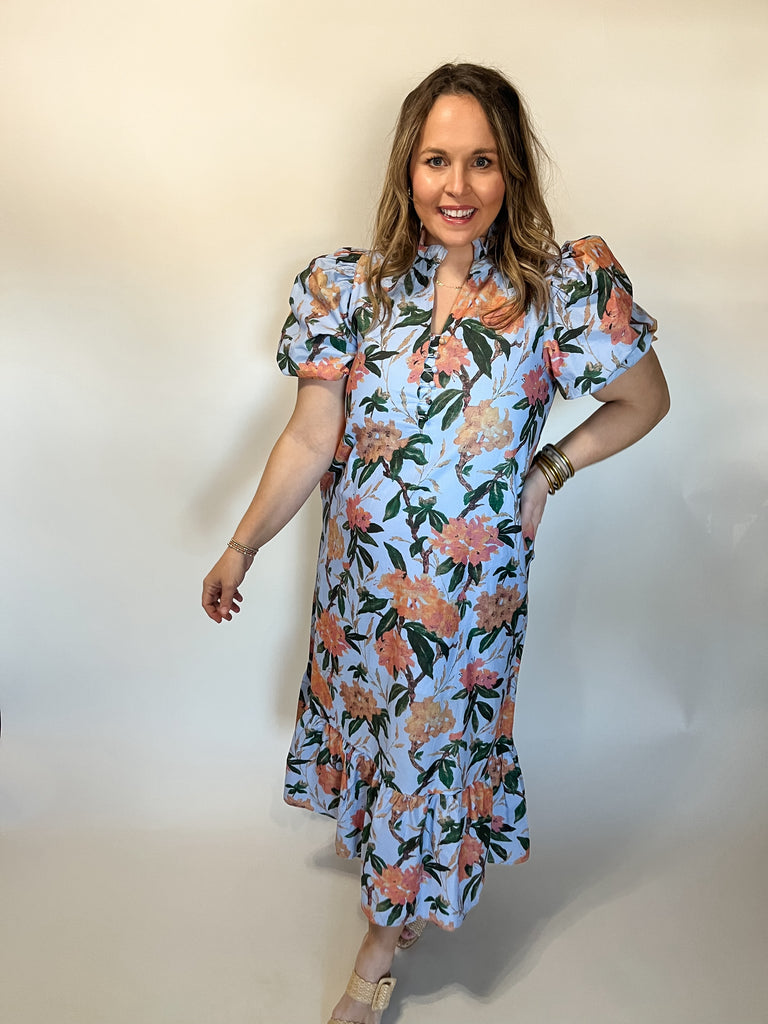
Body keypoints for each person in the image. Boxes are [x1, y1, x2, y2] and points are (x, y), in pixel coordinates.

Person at [202, 62, 669, 1024]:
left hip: (468, 601)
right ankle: (401, 882)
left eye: (483, 161)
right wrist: (242, 546)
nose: (458, 186)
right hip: (359, 596)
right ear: (406, 169)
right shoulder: (350, 289)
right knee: (388, 747)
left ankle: (378, 952)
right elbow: (310, 439)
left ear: (512, 171)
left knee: (430, 756)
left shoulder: (557, 291)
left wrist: (549, 470)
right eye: (437, 160)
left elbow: (644, 399)